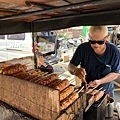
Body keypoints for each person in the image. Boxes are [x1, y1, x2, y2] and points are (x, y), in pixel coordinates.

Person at [68, 26, 120, 98]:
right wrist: (75, 70)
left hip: (106, 91)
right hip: (87, 89)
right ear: (89, 36)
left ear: (107, 37)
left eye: (100, 42)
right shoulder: (83, 48)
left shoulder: (113, 51)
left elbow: (115, 73)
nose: (96, 45)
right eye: (92, 41)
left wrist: (100, 81)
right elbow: (70, 66)